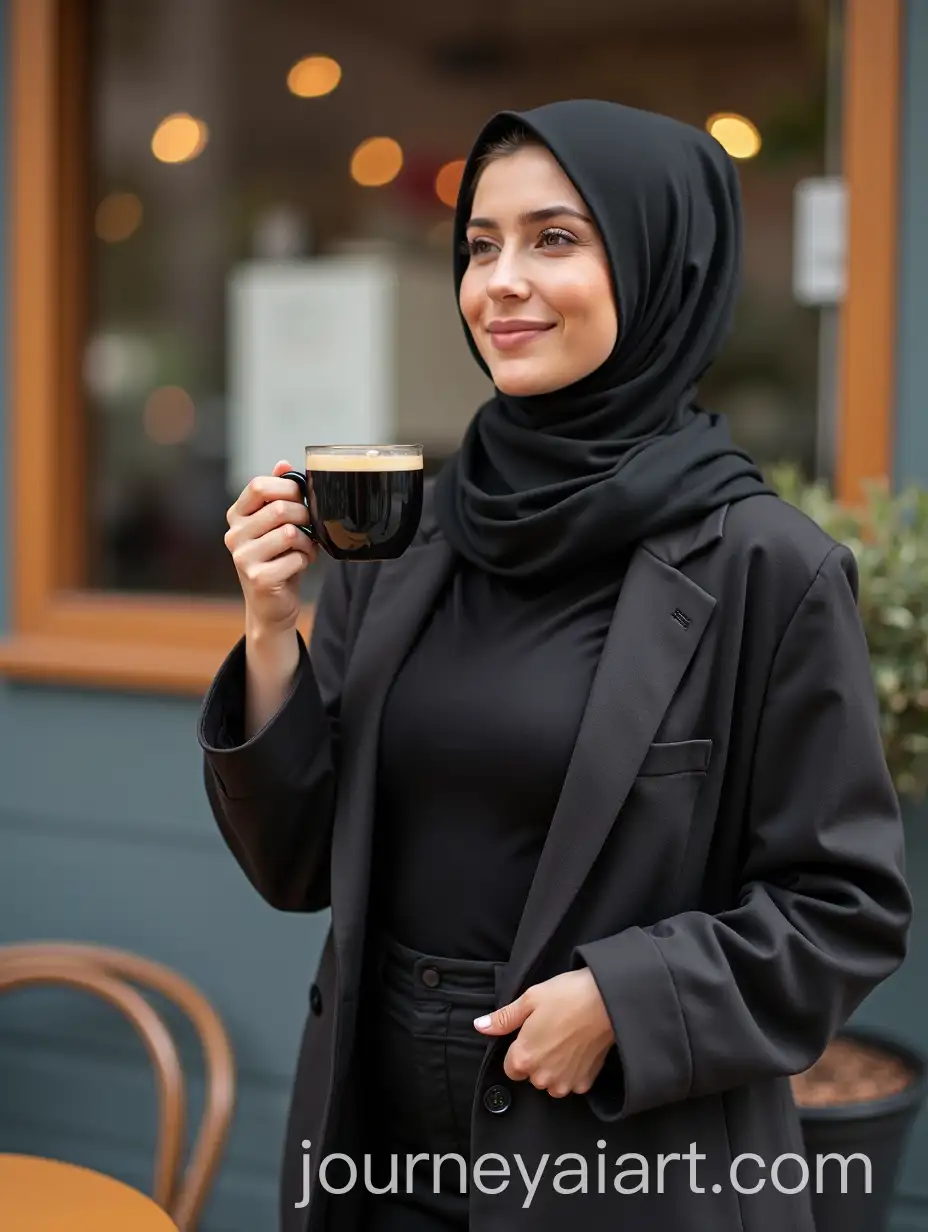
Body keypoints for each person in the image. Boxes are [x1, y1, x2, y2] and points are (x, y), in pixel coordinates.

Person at [198, 99, 912, 1232]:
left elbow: (845, 907)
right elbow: (296, 865)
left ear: (659, 264)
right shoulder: (405, 533)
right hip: (375, 1156)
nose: (500, 281)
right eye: (480, 245)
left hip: (624, 1172)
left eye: (556, 239)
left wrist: (628, 1000)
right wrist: (272, 626)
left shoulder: (765, 566)